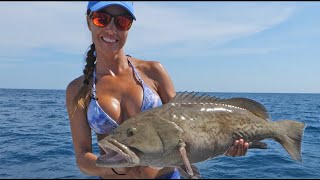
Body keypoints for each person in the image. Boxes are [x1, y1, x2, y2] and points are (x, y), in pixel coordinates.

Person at [65, 1, 250, 179]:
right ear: (89, 21)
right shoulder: (78, 89)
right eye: (101, 19)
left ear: (129, 26)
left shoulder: (153, 72)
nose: (112, 29)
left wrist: (224, 145)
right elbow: (82, 158)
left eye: (122, 22)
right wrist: (117, 168)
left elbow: (187, 128)